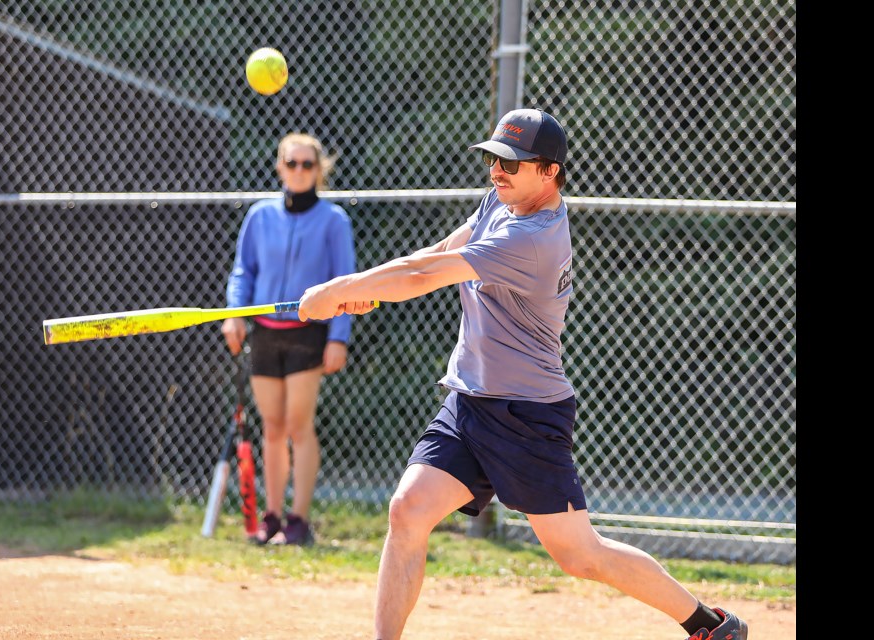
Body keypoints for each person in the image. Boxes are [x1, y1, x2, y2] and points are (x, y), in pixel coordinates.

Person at [297, 109, 749, 639]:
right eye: (494, 158)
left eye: (512, 163)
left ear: (550, 172)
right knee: (408, 510)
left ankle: (707, 624)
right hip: (468, 400)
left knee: (581, 556)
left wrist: (336, 289)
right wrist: (364, 290)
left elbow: (425, 276)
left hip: (526, 416)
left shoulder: (533, 239)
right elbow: (438, 252)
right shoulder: (502, 200)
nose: (497, 171)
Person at [222, 132, 357, 546]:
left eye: (308, 164)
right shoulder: (260, 217)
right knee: (273, 427)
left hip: (307, 335)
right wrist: (234, 316)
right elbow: (243, 272)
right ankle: (273, 517)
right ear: (280, 167)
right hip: (264, 333)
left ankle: (299, 520)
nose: (299, 171)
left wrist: (339, 338)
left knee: (299, 425)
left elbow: (345, 283)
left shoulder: (334, 220)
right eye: (292, 163)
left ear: (320, 170)